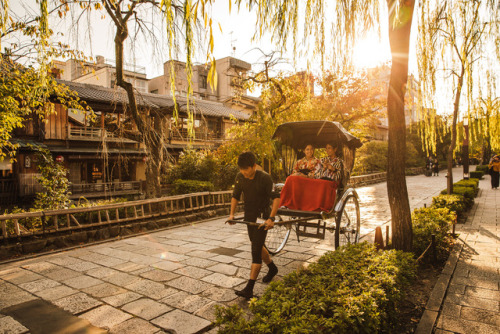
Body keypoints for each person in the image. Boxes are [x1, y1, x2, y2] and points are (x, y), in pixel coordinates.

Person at [228, 152, 281, 299]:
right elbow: (235, 196)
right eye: (241, 169)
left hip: (262, 217)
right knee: (256, 244)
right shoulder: (240, 177)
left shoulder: (265, 178)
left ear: (254, 166)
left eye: (246, 169)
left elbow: (276, 199)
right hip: (249, 216)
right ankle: (272, 268)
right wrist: (232, 215)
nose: (243, 172)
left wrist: (271, 218)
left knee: (255, 249)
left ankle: (249, 288)